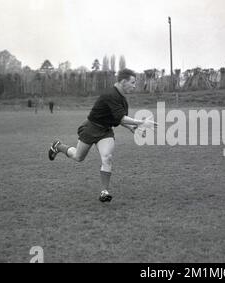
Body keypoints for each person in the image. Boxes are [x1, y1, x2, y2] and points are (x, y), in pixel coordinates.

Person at [48, 68, 157, 202]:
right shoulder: (110, 95)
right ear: (123, 81)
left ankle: (104, 192)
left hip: (105, 131)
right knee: (78, 157)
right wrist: (141, 122)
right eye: (133, 82)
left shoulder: (122, 100)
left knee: (107, 157)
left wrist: (132, 128)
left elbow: (119, 119)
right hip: (91, 128)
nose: (134, 86)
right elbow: (122, 118)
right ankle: (58, 146)